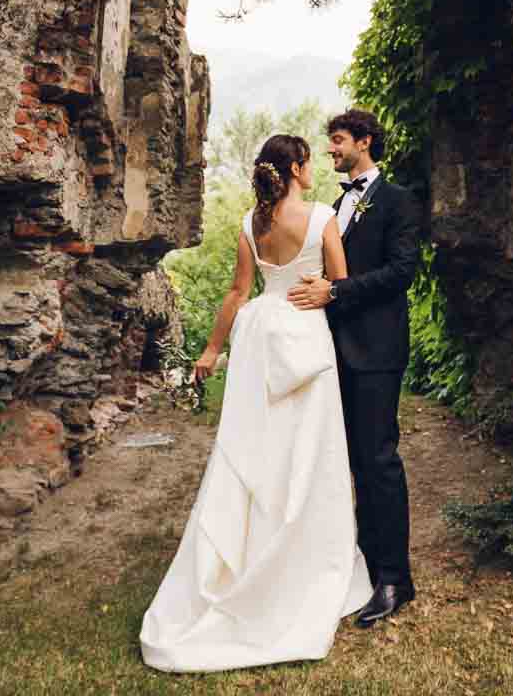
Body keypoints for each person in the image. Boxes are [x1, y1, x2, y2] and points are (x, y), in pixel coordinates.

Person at [138, 134, 372, 672]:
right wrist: (325, 290)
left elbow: (237, 292)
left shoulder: (250, 222)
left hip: (259, 334)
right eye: (307, 161)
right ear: (295, 168)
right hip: (305, 332)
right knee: (308, 453)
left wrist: (211, 349)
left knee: (255, 448)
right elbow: (340, 285)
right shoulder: (321, 218)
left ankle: (244, 553)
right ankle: (303, 560)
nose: (313, 167)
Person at [287, 108, 418, 627]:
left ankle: (395, 580)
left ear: (364, 141)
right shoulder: (337, 205)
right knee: (347, 461)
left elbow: (401, 273)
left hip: (377, 350)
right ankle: (361, 562)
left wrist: (336, 291)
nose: (331, 149)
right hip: (333, 351)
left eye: (338, 140)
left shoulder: (398, 200)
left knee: (378, 460)